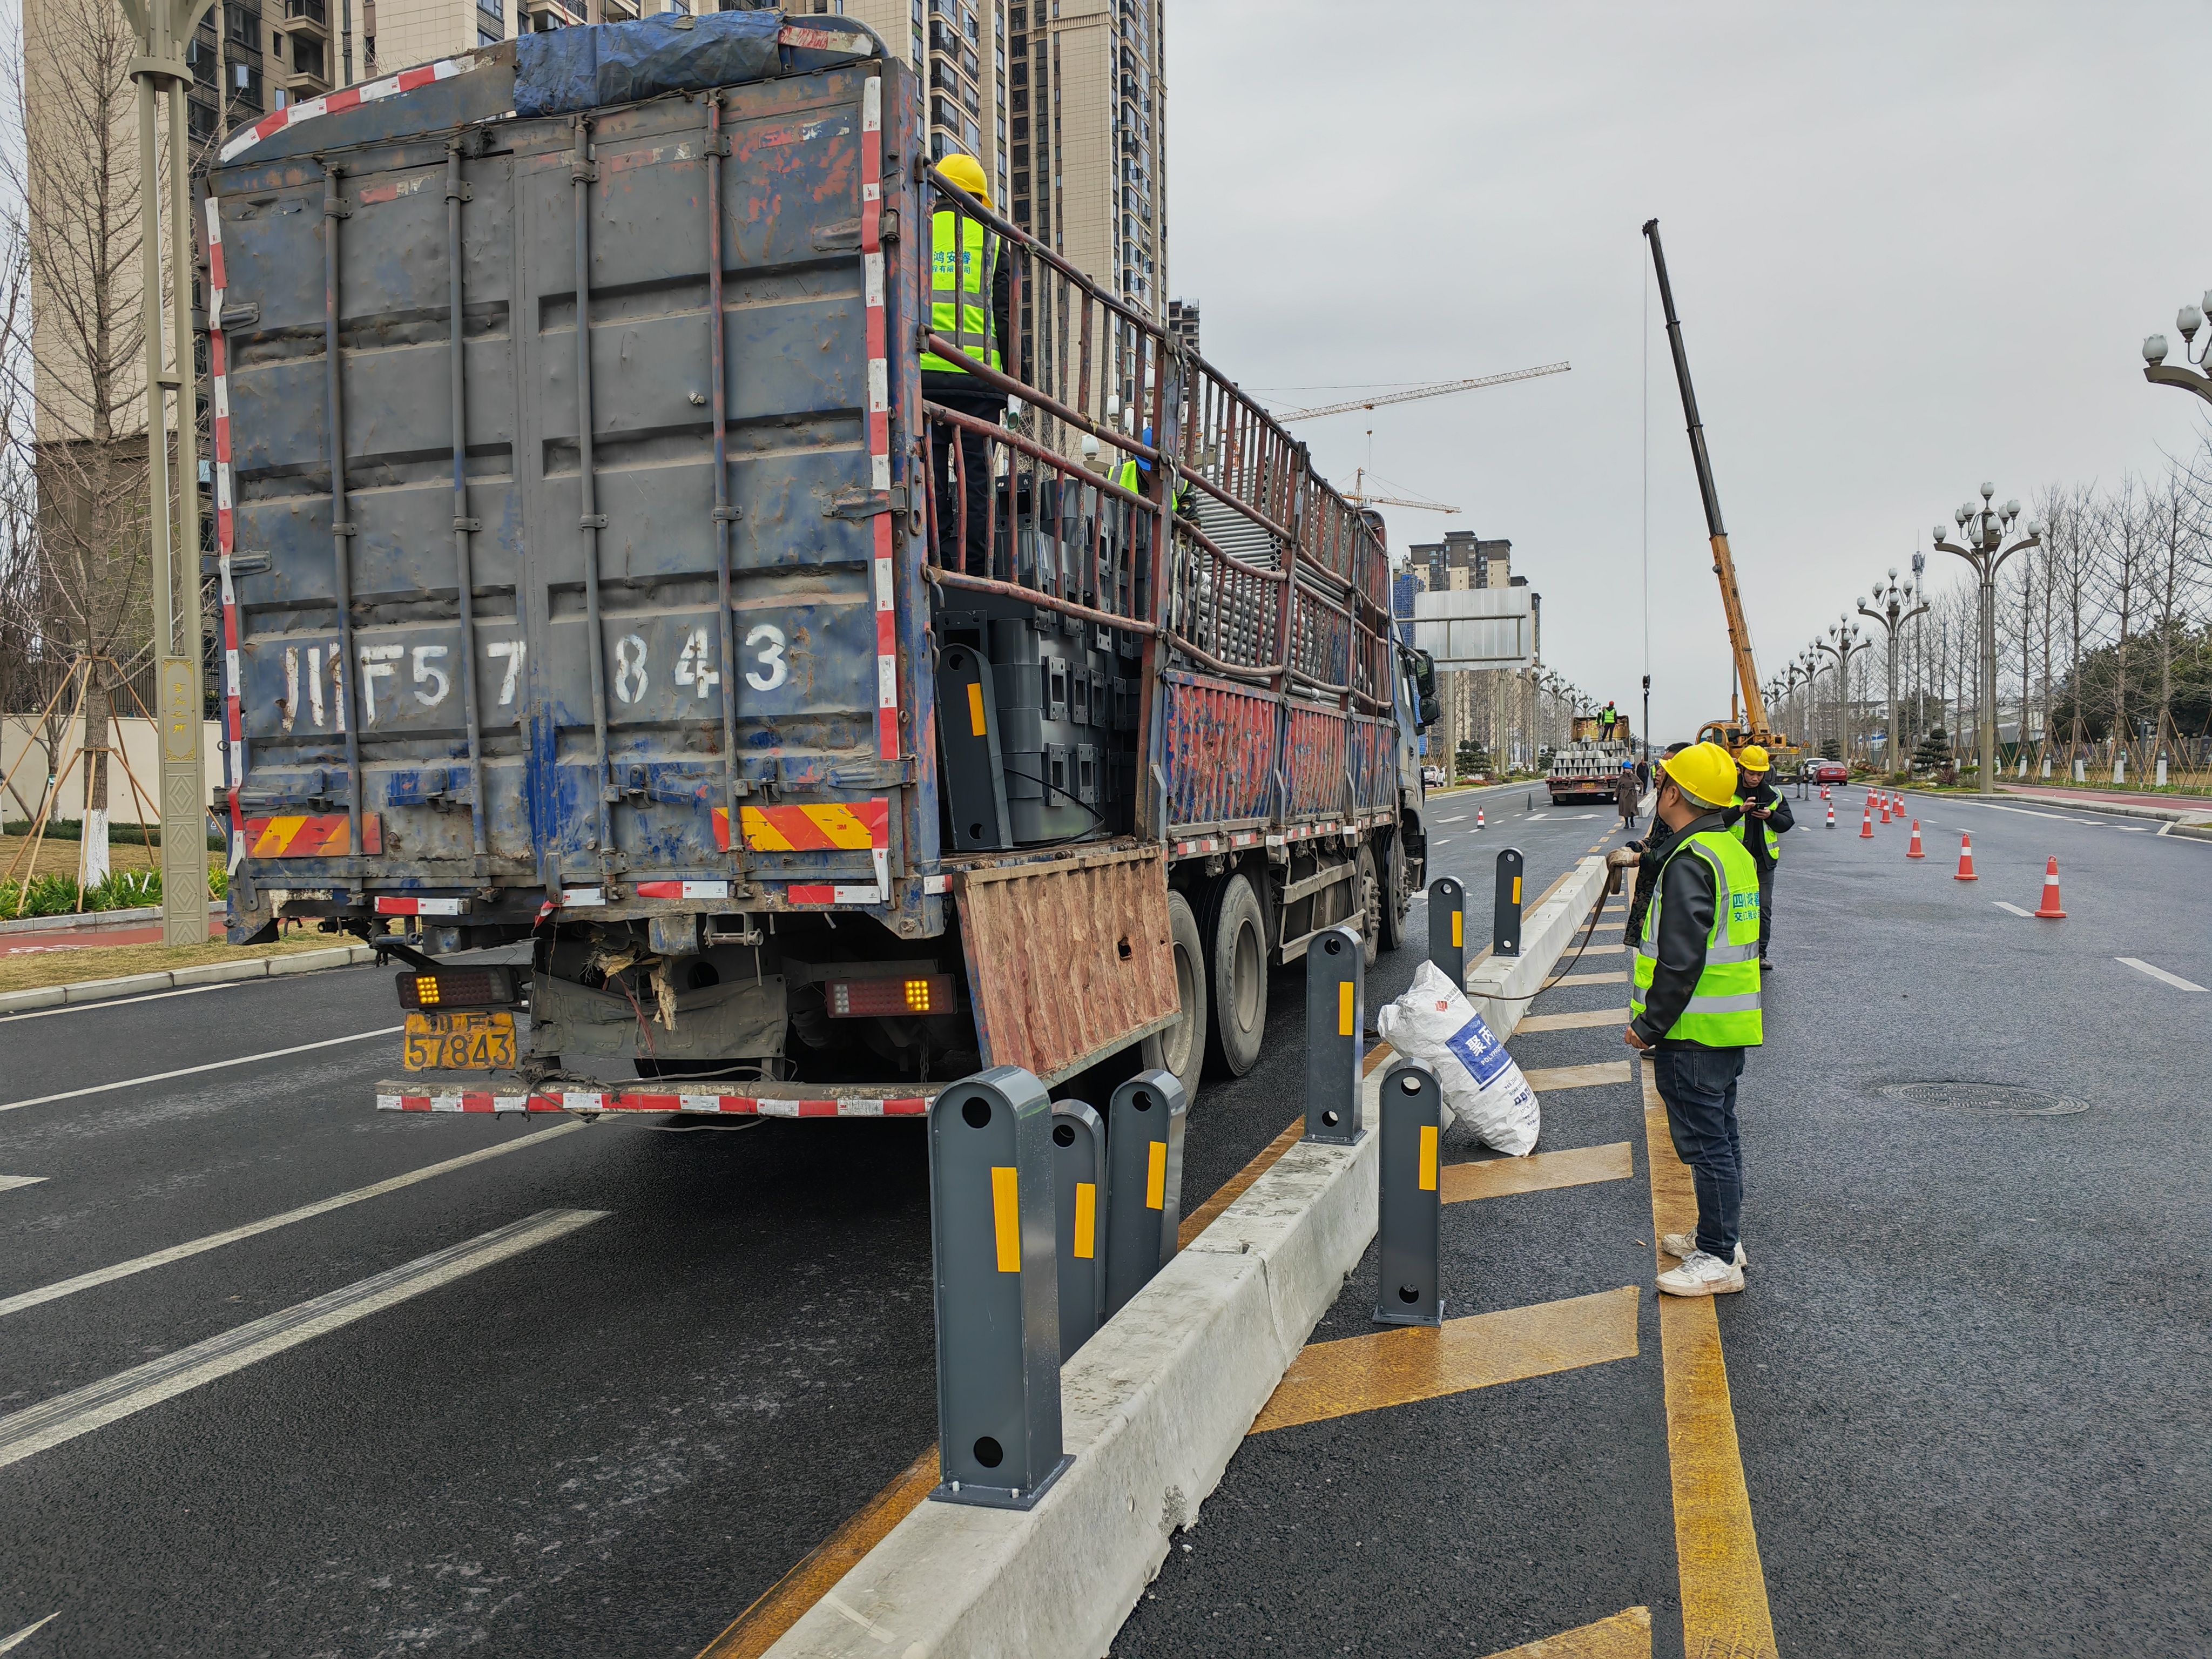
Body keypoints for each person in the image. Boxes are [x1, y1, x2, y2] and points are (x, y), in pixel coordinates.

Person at [1616, 741, 1762, 1298]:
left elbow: (1680, 961)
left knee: (1706, 1145)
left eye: (1663, 784)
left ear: (1674, 793)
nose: (1658, 792)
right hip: (1725, 1029)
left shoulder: (1690, 862)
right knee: (1720, 1137)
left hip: (1691, 1033)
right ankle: (1720, 1236)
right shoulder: (1728, 851)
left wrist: (1647, 1027)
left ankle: (1718, 1259)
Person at [920, 152, 1010, 575]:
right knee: (975, 478)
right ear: (978, 198)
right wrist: (1012, 383)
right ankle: (974, 569)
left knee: (930, 472)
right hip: (978, 380)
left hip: (925, 375)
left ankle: (932, 561)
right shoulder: (993, 240)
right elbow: (1006, 315)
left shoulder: (916, 231)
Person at [1727, 744, 1792, 971]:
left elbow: (1787, 823)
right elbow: (1715, 820)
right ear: (1742, 769)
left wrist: (1771, 816)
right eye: (1751, 773)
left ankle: (1760, 954)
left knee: (1763, 908)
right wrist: (1739, 811)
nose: (1755, 778)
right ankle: (1732, 951)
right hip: (1734, 862)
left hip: (1764, 861)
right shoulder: (1727, 792)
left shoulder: (1773, 794)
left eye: (1760, 773)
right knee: (1734, 908)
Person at [1615, 760, 1640, 830]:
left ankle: (1632, 820)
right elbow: (1618, 788)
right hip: (1624, 794)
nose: (1628, 770)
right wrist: (1615, 796)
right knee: (1625, 809)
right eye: (1626, 768)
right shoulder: (1621, 778)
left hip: (1632, 794)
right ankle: (1626, 823)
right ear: (1624, 769)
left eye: (1629, 769)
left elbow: (1641, 783)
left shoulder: (1634, 777)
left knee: (1632, 808)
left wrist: (1639, 787)